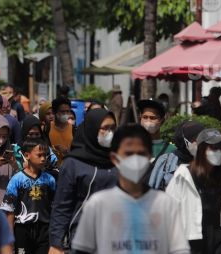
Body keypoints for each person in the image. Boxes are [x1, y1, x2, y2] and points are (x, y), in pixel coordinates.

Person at [71, 124, 190, 254]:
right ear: (114, 158)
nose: (135, 159)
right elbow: (82, 250)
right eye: (128, 153)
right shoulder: (98, 204)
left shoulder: (165, 204)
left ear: (149, 156)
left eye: (141, 153)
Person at [49, 109, 118, 253]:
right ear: (93, 129)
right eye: (105, 128)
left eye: (113, 128)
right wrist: (56, 243)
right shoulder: (73, 163)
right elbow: (62, 206)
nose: (110, 133)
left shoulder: (118, 160)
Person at [166, 128, 221, 254]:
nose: (219, 152)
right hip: (192, 240)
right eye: (214, 148)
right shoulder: (183, 175)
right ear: (201, 149)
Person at [2, 138, 56, 253]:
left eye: (45, 155)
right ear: (27, 155)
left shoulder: (50, 180)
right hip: (22, 230)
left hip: (44, 229)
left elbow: (55, 207)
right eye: (39, 155)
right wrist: (10, 237)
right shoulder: (16, 180)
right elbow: (9, 210)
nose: (43, 158)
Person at [149, 120, 205, 191]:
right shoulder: (166, 161)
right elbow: (153, 187)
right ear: (183, 140)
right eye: (194, 140)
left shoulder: (206, 161)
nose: (198, 143)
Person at [48, 97, 74, 166]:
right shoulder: (47, 128)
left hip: (68, 168)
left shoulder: (73, 129)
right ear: (54, 112)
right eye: (62, 111)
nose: (65, 114)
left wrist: (67, 152)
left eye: (67, 111)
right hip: (51, 169)